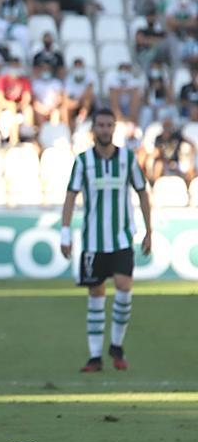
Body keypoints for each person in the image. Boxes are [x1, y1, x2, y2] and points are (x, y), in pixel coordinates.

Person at [60, 108, 152, 373]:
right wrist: (65, 232)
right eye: (100, 125)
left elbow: (143, 193)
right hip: (92, 241)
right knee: (96, 294)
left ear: (114, 128)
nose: (105, 129)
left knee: (124, 287)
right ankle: (95, 356)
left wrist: (149, 230)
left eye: (109, 125)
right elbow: (70, 196)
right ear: (94, 129)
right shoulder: (83, 161)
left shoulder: (128, 159)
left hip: (122, 237)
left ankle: (117, 345)